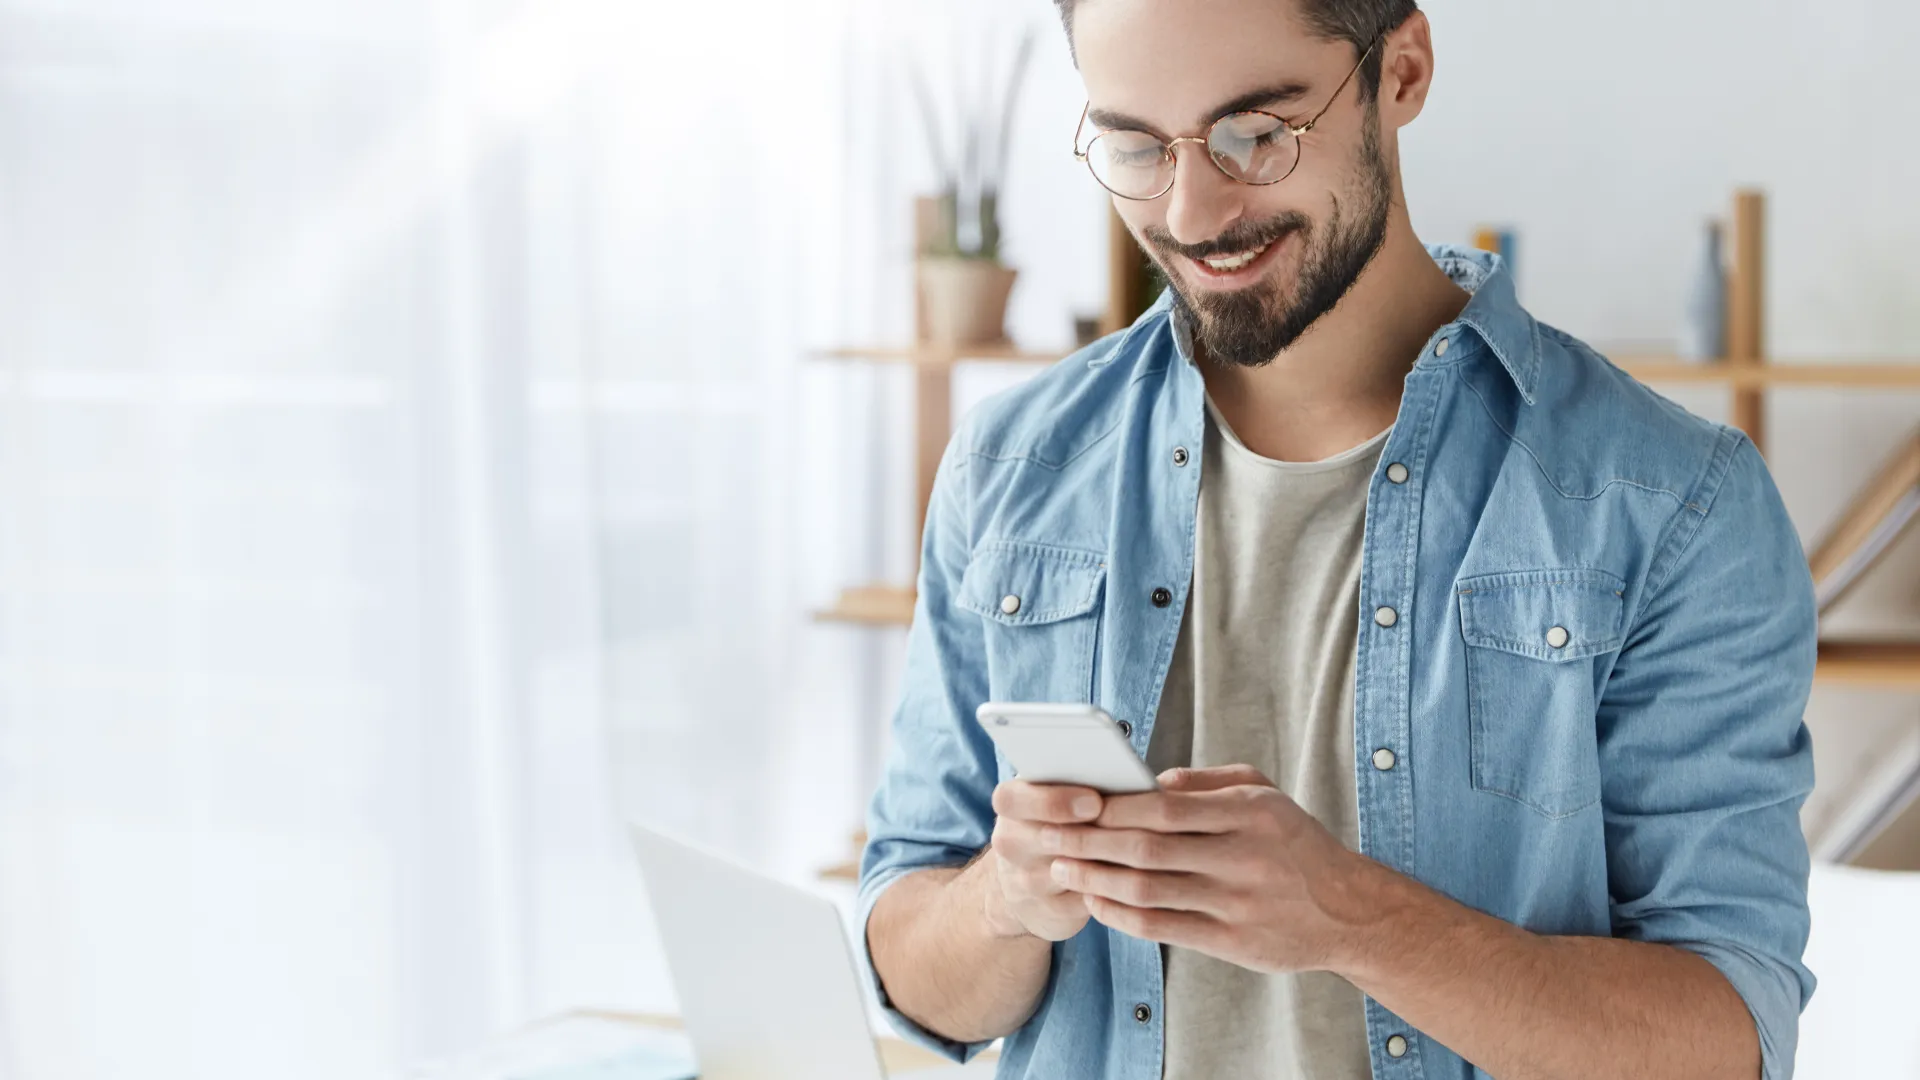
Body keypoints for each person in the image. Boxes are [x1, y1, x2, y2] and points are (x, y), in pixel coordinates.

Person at [857, 1, 1817, 1078]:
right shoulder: (1012, 471)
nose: (1192, 210)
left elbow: (1725, 1038)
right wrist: (1009, 895)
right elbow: (907, 973)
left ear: (1400, 72)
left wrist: (1355, 920)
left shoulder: (1673, 503)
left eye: (1255, 136)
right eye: (1134, 145)